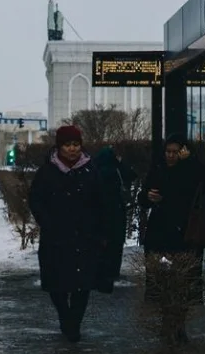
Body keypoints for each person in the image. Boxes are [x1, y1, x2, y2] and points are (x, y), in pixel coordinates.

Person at [29, 125, 106, 342]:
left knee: (83, 285)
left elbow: (101, 203)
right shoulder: (47, 171)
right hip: (56, 237)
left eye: (76, 144)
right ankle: (65, 316)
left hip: (85, 237)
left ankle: (74, 324)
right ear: (59, 147)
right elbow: (36, 200)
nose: (72, 149)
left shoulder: (91, 170)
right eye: (67, 145)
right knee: (57, 284)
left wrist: (100, 231)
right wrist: (47, 222)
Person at [138, 135, 205, 320]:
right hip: (160, 231)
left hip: (183, 231)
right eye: (168, 152)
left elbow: (202, 185)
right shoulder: (158, 170)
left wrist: (190, 162)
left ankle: (178, 322)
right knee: (162, 280)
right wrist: (149, 196)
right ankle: (167, 321)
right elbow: (143, 197)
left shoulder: (189, 170)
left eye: (175, 152)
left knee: (182, 281)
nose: (170, 156)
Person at [92, 146, 136, 293]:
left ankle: (99, 277)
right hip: (116, 214)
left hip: (100, 214)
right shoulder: (115, 171)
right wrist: (120, 163)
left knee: (101, 247)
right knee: (114, 247)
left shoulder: (96, 171)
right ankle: (109, 277)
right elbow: (131, 175)